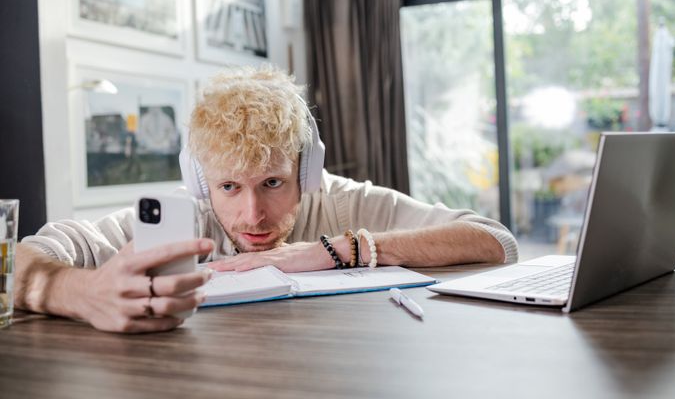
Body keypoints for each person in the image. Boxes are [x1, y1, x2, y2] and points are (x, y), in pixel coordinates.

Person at [15, 65, 518, 333]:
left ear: (306, 171)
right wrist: (80, 293)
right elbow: (23, 257)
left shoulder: (340, 203)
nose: (252, 215)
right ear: (199, 181)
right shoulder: (177, 217)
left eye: (273, 183)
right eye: (229, 187)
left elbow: (496, 241)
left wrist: (340, 249)